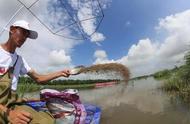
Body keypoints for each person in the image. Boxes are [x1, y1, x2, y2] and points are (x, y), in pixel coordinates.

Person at [0, 20, 70, 124]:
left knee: (46, 121)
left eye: (27, 36)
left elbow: (38, 78)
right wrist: (8, 113)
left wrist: (60, 73)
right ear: (12, 29)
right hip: (3, 109)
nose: (24, 38)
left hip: (11, 104)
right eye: (23, 32)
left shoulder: (20, 60)